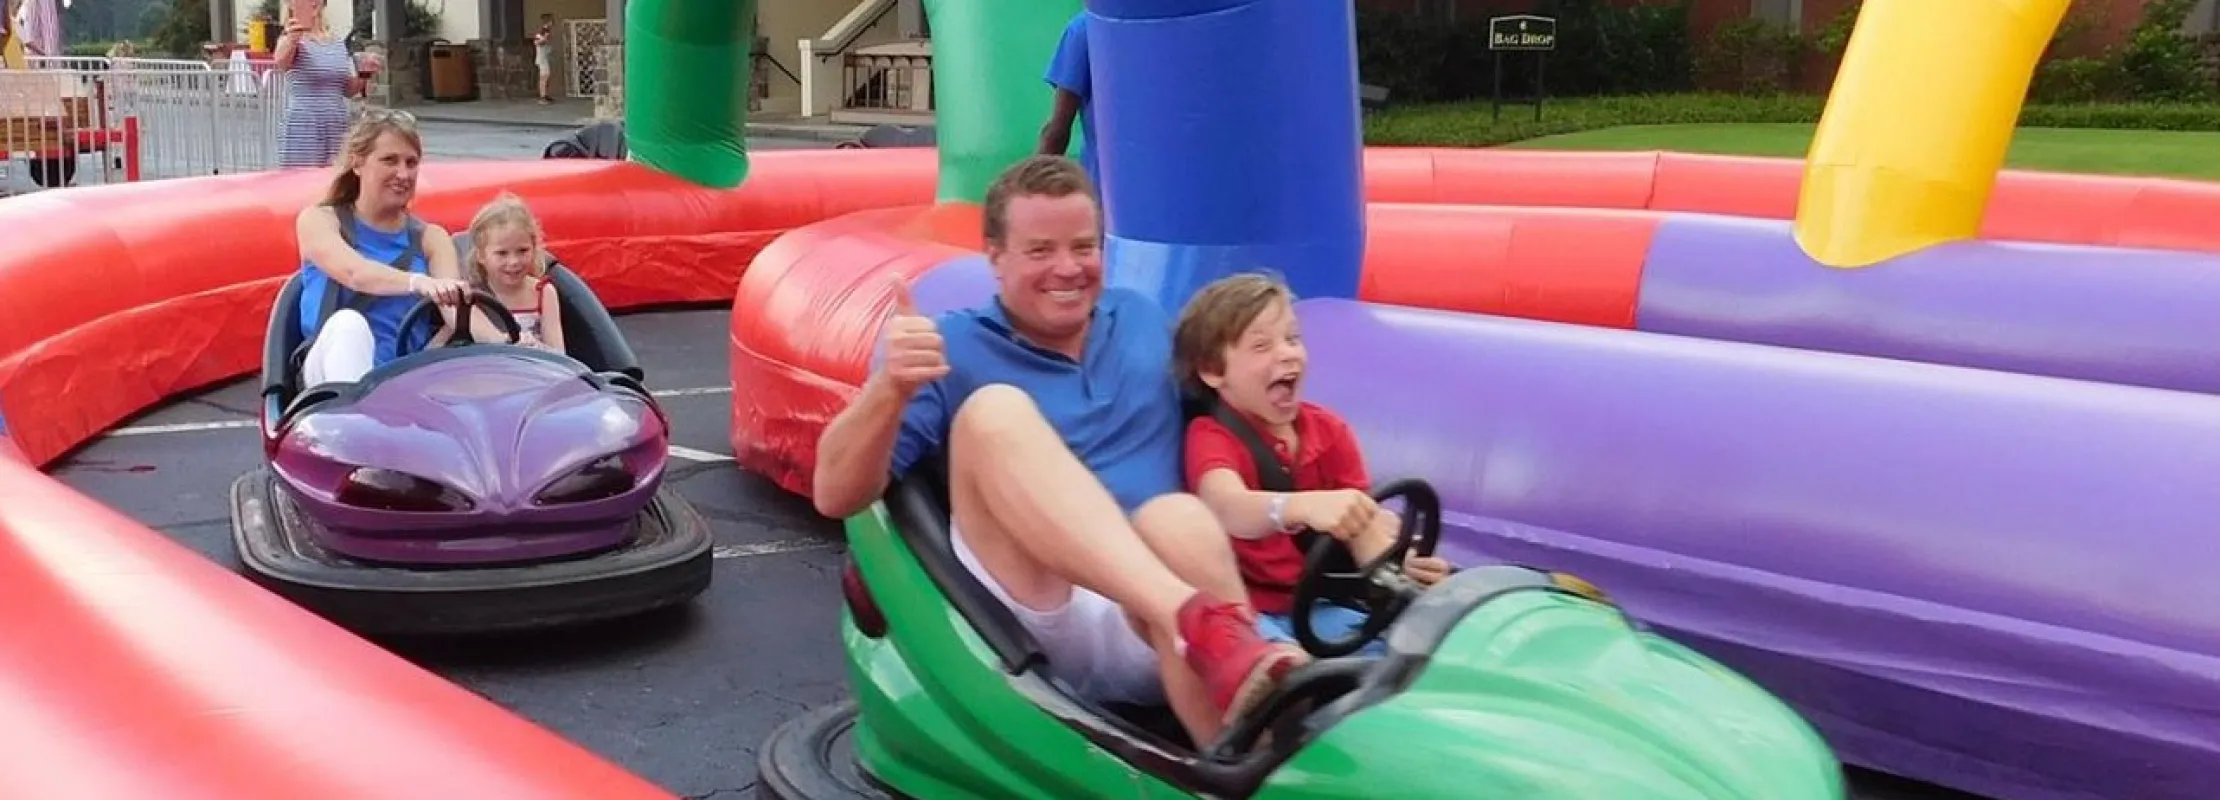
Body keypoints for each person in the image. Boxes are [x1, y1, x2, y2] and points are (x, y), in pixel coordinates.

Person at [811, 155, 1306, 749]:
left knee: (1179, 517)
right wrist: (890, 389)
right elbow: (834, 492)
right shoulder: (947, 346)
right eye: (1040, 251)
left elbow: (1237, 423)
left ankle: (1241, 757)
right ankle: (1205, 624)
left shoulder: (1142, 319)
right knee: (996, 410)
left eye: (1083, 246)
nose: (1068, 269)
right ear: (994, 256)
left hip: (1151, 620)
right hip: (1041, 603)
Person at [1172, 273, 1453, 658]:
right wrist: (1296, 507)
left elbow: (1362, 527)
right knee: (1292, 667)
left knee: (1409, 657)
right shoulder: (1212, 436)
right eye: (1261, 346)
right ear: (1213, 371)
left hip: (1324, 603)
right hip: (1254, 609)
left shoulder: (1330, 431)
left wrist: (1402, 567)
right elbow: (1225, 505)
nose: (1287, 353)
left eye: (1292, 339)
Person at [292, 110, 472, 387]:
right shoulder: (320, 220)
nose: (403, 174)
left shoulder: (431, 238)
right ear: (358, 164)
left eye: (411, 163)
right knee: (349, 325)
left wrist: (517, 342)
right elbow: (355, 273)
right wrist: (418, 282)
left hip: (403, 379)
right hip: (328, 381)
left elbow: (454, 312)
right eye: (390, 161)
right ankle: (355, 420)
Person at [452, 192, 565, 353]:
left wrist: (535, 347)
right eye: (502, 253)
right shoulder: (471, 297)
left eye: (522, 251)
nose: (513, 262)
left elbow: (560, 354)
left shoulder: (544, 293)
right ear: (481, 256)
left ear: (534, 248)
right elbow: (440, 347)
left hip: (533, 372)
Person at [273, 0, 378, 169]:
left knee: (336, 180)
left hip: (336, 122)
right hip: (305, 124)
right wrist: (291, 40)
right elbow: (280, 62)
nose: (313, 3)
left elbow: (347, 89)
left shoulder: (337, 42)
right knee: (304, 181)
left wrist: (365, 73)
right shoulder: (291, 38)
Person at [1036, 11, 1097, 186]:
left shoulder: (1085, 28)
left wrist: (1032, 188)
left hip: (1104, 192)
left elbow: (1057, 132)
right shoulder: (1176, 26)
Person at [533, 14, 557, 104]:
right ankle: (542, 96)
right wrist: (544, 39)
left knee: (546, 76)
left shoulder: (546, 32)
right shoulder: (542, 32)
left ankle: (545, 95)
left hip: (544, 58)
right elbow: (537, 42)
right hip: (542, 58)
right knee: (544, 77)